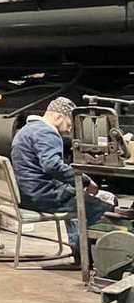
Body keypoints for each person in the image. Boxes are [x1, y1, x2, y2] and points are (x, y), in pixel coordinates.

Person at [10, 96, 110, 256]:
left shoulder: (26, 131)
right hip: (44, 196)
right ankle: (89, 257)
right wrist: (85, 180)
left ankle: (78, 249)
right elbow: (52, 165)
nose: (69, 131)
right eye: (69, 124)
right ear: (58, 116)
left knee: (76, 195)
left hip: (28, 194)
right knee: (104, 208)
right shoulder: (47, 133)